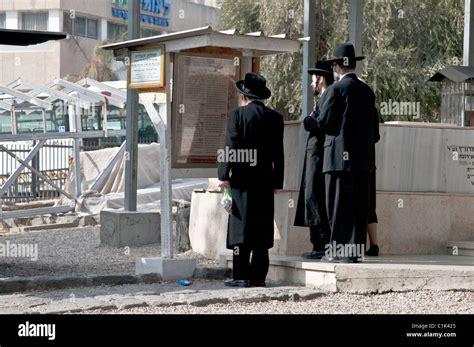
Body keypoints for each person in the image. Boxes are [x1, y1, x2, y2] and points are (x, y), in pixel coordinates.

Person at [218, 72, 284, 287]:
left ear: (244, 96)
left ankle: (240, 276)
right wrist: (278, 182)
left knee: (241, 228)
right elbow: (278, 153)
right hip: (265, 179)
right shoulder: (276, 118)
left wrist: (223, 174)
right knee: (262, 228)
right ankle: (258, 277)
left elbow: (231, 145)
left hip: (242, 179)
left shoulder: (237, 115)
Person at [317, 43, 380, 263]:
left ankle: (337, 252)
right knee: (359, 207)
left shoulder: (334, 90)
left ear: (336, 66)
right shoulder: (368, 92)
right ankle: (354, 253)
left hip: (336, 160)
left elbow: (322, 122)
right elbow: (375, 133)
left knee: (337, 206)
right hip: (363, 162)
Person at [294, 60, 334, 259]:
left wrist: (308, 121)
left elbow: (319, 124)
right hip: (315, 155)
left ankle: (320, 244)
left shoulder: (328, 97)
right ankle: (318, 243)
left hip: (318, 157)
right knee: (311, 196)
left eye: (314, 81)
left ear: (321, 80)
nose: (312, 85)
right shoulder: (324, 98)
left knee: (315, 197)